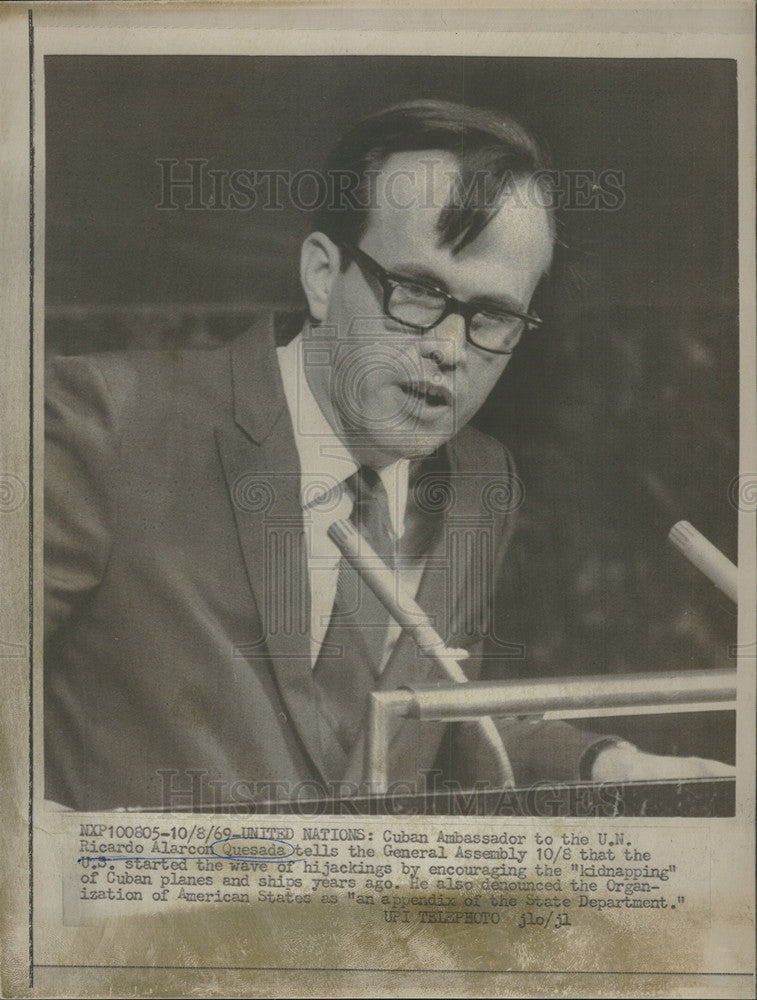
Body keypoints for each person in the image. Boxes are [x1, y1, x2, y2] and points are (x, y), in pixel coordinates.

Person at [44, 99, 731, 811]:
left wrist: (602, 765)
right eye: (418, 291)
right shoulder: (106, 422)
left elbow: (438, 722)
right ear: (320, 274)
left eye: (491, 315)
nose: (448, 346)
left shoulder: (478, 479)